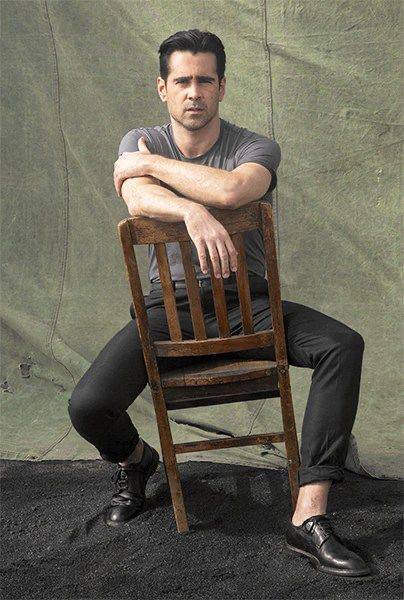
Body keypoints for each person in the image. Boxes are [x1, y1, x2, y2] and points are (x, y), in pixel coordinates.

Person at [68, 29, 371, 577]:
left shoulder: (255, 147)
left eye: (205, 80)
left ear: (222, 87)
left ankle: (309, 514)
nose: (194, 92)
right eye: (182, 81)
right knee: (88, 406)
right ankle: (137, 462)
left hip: (247, 302)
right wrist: (191, 211)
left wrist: (155, 170)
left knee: (342, 345)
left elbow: (235, 190)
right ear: (163, 88)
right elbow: (135, 198)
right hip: (170, 311)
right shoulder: (140, 137)